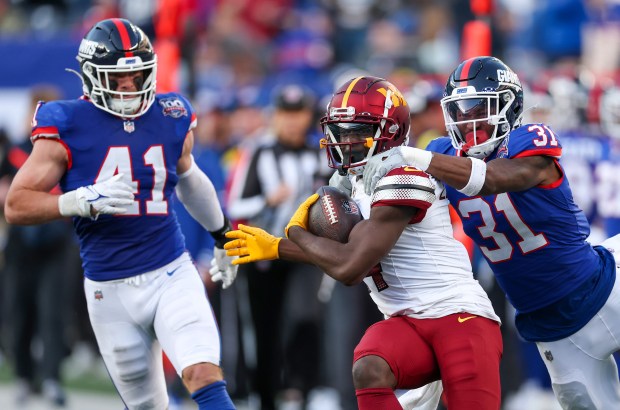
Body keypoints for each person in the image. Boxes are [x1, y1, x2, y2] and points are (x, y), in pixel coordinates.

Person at [224, 76, 503, 410]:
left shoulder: (406, 175)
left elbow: (350, 267)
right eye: (341, 131)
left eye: (359, 130)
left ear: (391, 133)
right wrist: (276, 247)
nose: (347, 140)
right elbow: (344, 256)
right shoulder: (357, 183)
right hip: (407, 321)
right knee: (370, 365)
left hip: (458, 319)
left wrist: (294, 234)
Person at [3, 18, 238, 410]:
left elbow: (189, 177)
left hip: (170, 272)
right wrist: (76, 201)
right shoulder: (66, 122)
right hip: (108, 289)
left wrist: (222, 235)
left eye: (137, 75)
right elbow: (16, 204)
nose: (130, 86)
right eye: (118, 78)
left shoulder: (171, 113)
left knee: (202, 373)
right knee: (149, 406)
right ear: (92, 77)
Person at [362, 56, 620, 409]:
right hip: (556, 331)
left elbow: (494, 178)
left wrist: (416, 157)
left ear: (509, 107)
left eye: (479, 108)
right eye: (461, 110)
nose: (470, 121)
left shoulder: (528, 141)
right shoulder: (440, 154)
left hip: (605, 287)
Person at [225, 84, 332, 410]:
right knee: (263, 328)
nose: (291, 122)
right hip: (262, 253)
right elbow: (234, 206)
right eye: (286, 114)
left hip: (303, 252)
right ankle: (265, 397)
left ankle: (302, 390)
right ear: (276, 116)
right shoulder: (259, 151)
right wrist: (267, 199)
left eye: (297, 114)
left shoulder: (321, 155)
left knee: (306, 318)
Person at [0, 85, 79, 407]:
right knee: (17, 313)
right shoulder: (16, 151)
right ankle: (23, 376)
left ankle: (51, 378)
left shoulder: (70, 151)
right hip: (20, 243)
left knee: (52, 313)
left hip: (56, 241)